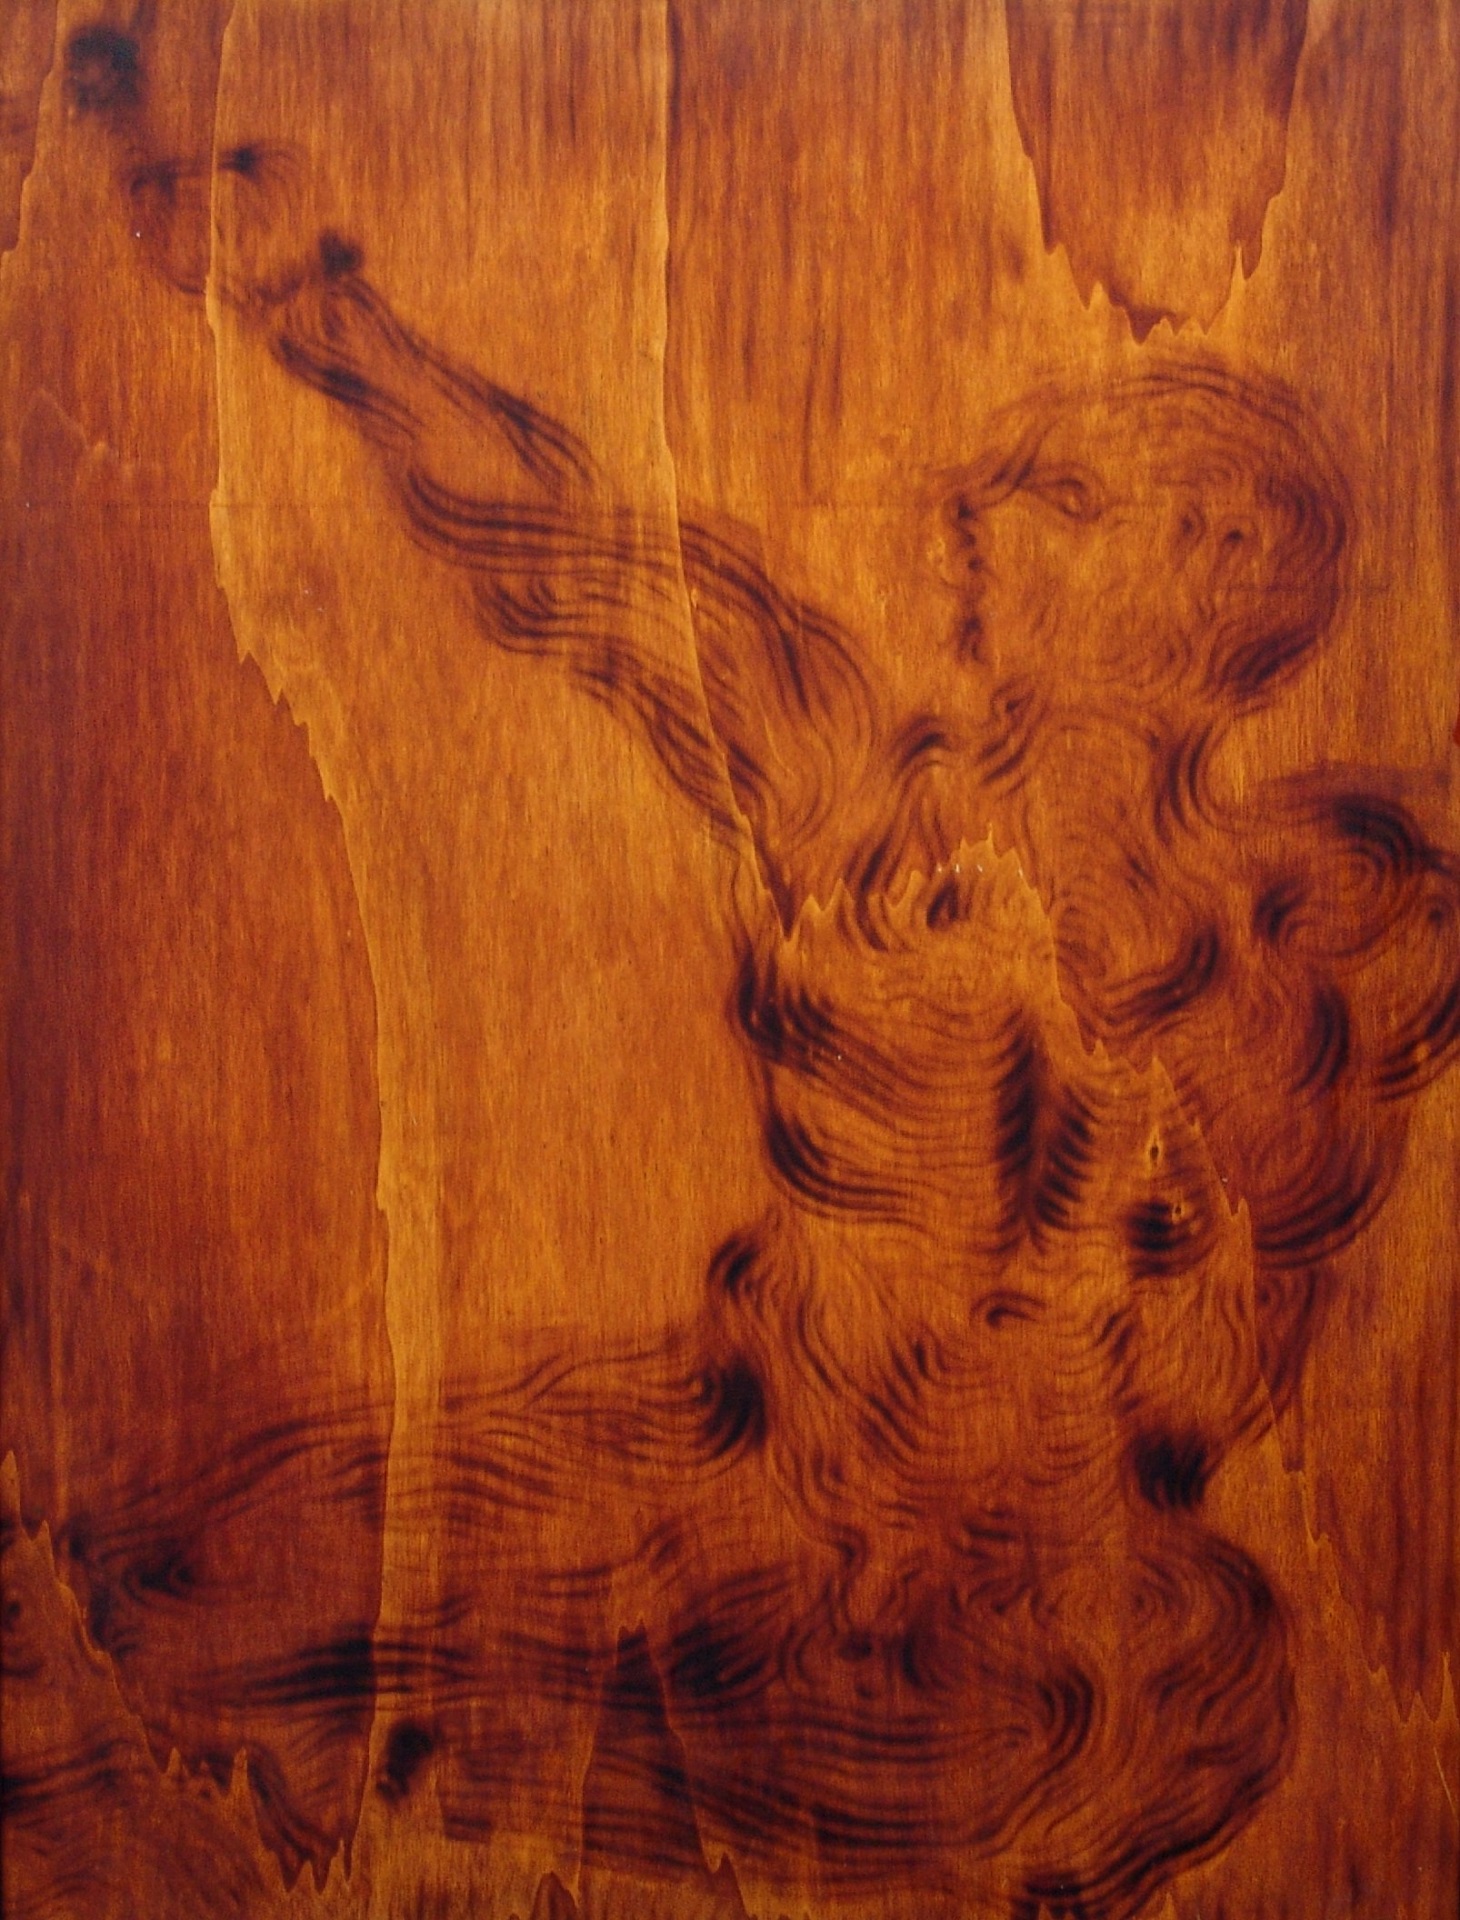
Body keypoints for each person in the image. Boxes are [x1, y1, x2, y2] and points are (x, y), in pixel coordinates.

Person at [222, 233, 1459, 1917]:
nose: (968, 516)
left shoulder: (1292, 962)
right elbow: (583, 558)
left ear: (1214, 565)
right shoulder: (863, 802)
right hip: (719, 1478)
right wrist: (329, 315)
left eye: (1058, 496)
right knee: (198, 1614)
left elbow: (1196, 1370)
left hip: (1002, 1646)